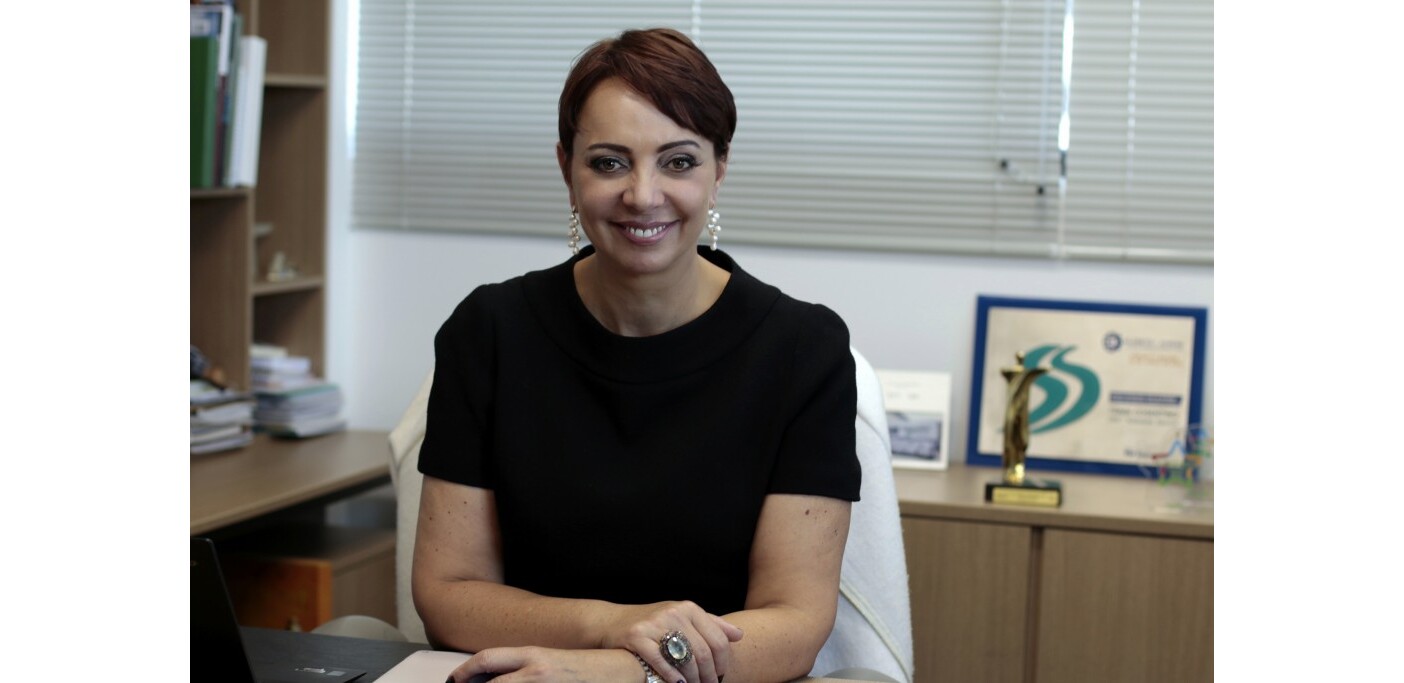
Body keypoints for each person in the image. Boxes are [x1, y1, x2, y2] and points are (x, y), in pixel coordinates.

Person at [414, 27, 860, 683]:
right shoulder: (488, 332)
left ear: (719, 169)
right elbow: (447, 593)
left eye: (679, 162)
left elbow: (794, 625)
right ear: (566, 168)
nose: (643, 195)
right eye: (609, 162)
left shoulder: (803, 350)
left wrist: (617, 673)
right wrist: (610, 625)